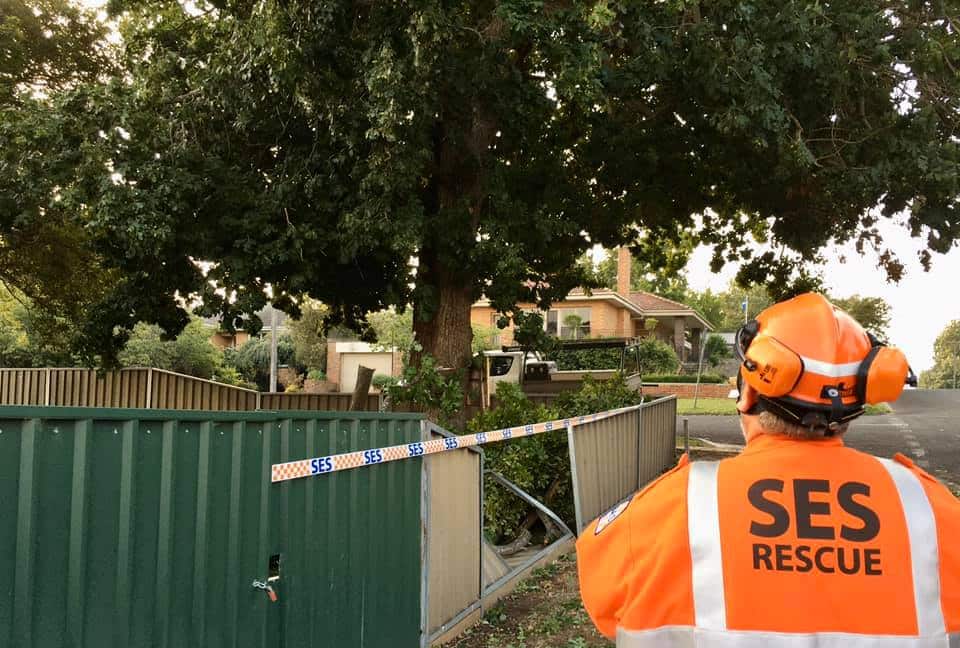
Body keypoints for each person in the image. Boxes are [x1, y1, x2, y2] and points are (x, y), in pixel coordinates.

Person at [576, 292, 960, 646]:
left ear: (749, 394)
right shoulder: (932, 512)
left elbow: (602, 599)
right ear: (854, 404)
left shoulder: (673, 508)